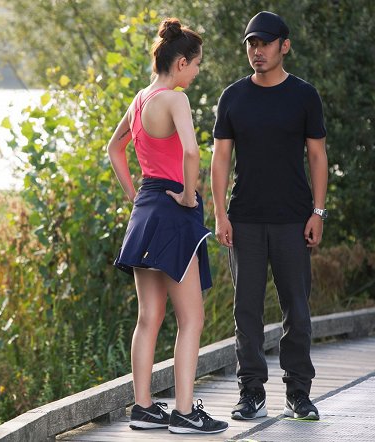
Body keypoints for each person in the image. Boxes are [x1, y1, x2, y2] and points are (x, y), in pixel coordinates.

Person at [107, 17, 228, 435]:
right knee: (191, 318)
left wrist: (134, 197)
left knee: (148, 318)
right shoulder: (175, 100)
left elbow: (114, 148)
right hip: (174, 210)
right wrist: (190, 196)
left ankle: (143, 409)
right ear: (180, 63)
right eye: (196, 65)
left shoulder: (141, 99)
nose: (196, 72)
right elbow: (192, 153)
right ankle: (184, 413)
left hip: (146, 209)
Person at [211, 11, 328, 421]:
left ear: (284, 46)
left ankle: (298, 392)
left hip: (294, 219)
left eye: (264, 43)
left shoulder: (304, 95)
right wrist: (220, 213)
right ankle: (251, 393)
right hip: (244, 218)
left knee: (296, 307)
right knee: (246, 310)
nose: (256, 51)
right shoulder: (233, 97)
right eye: (251, 44)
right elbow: (220, 158)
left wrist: (317, 211)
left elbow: (317, 155)